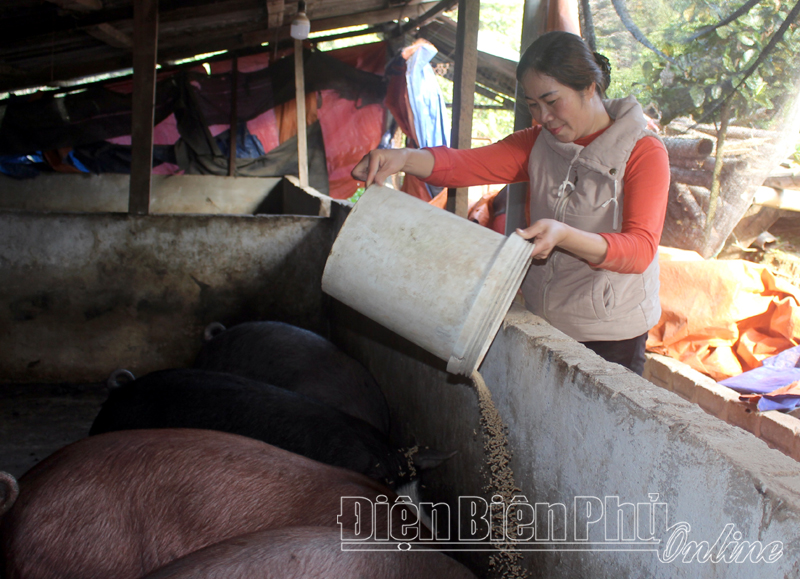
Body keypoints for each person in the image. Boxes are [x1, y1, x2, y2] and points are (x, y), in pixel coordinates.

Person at [351, 31, 670, 376]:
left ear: (589, 86)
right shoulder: (540, 144)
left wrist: (563, 235)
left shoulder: (642, 152)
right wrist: (401, 158)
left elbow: (640, 250)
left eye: (551, 100)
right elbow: (463, 165)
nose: (543, 116)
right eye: (533, 105)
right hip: (544, 319)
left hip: (610, 334)